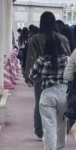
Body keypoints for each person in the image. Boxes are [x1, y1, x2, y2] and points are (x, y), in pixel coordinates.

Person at [28, 17, 72, 150]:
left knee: (49, 124)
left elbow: (32, 74)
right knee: (62, 122)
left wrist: (34, 77)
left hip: (47, 92)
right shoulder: (66, 58)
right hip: (64, 93)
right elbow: (72, 73)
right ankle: (60, 149)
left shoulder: (41, 58)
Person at [23, 12, 70, 140]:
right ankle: (60, 133)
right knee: (61, 106)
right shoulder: (62, 38)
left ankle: (40, 132)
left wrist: (29, 77)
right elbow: (68, 56)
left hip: (41, 77)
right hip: (60, 78)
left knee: (40, 103)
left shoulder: (34, 39)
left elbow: (31, 59)